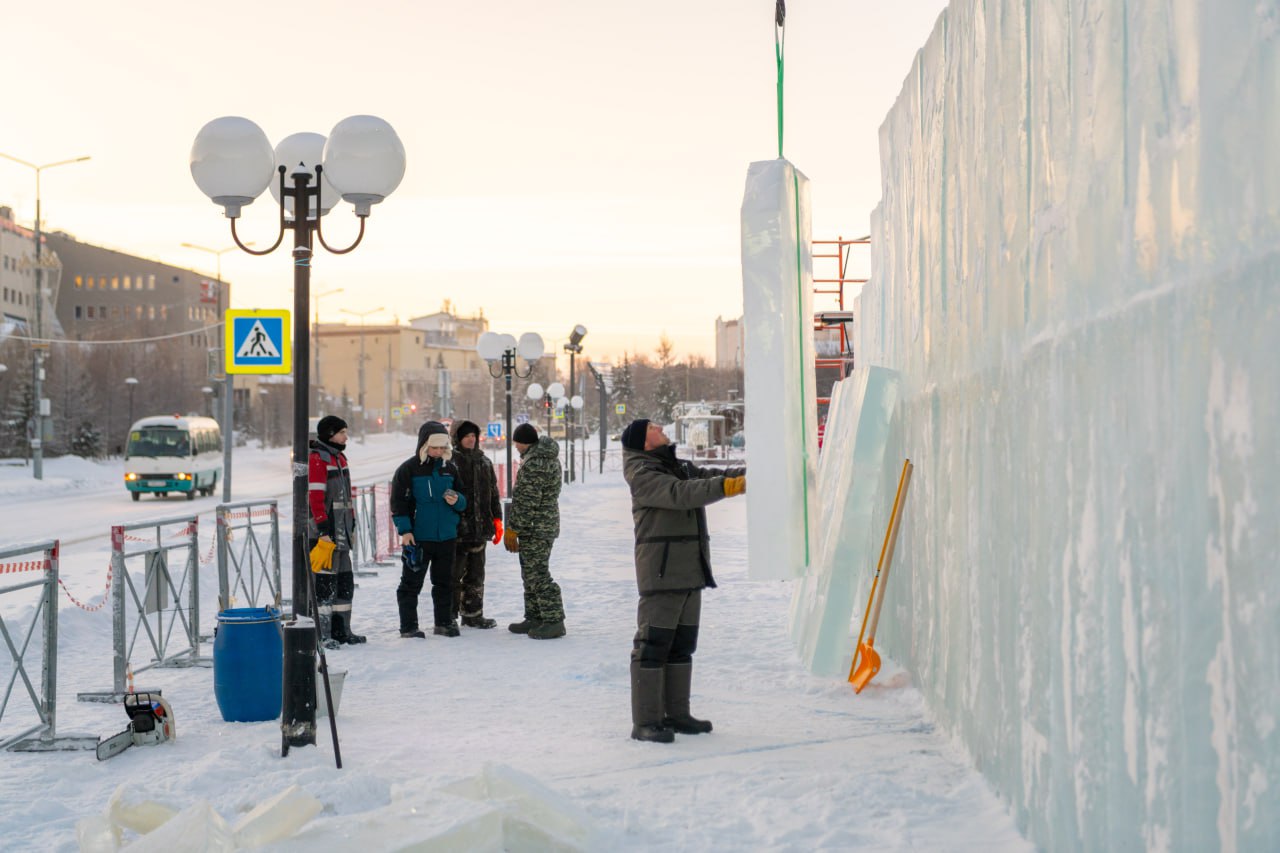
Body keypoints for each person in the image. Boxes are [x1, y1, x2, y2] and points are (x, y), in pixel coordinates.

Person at [620, 417, 745, 743]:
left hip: (689, 570)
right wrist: (726, 488)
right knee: (652, 647)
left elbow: (712, 477)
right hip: (661, 574)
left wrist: (747, 476)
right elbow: (680, 494)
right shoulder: (643, 473)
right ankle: (646, 722)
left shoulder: (675, 465)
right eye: (653, 428)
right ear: (643, 442)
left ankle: (676, 714)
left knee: (681, 647)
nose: (660, 428)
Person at [390, 421, 468, 638]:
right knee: (411, 584)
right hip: (418, 538)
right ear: (424, 445)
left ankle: (443, 623)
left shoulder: (450, 469)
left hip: (446, 537)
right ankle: (409, 627)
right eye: (435, 447)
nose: (440, 451)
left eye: (443, 447)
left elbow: (464, 500)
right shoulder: (408, 470)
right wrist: (405, 530)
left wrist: (457, 501)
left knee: (444, 582)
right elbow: (399, 503)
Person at [307, 415, 366, 648]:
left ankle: (342, 630)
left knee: (344, 582)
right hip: (326, 535)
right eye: (342, 432)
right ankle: (322, 633)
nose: (346, 436)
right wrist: (322, 527)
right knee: (324, 585)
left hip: (342, 535)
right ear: (330, 434)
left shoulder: (339, 458)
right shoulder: (319, 459)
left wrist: (350, 525)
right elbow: (315, 496)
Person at [504, 422, 566, 639]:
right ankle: (535, 617)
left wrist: (513, 529)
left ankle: (553, 620)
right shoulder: (544, 458)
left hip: (536, 527)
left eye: (516, 443)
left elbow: (527, 501)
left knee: (537, 574)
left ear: (523, 442)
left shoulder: (536, 463)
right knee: (529, 573)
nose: (516, 447)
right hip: (540, 525)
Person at [450, 420, 504, 629]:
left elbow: (493, 494)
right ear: (457, 439)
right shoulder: (451, 463)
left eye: (474, 435)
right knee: (454, 576)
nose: (471, 439)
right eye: (466, 436)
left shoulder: (485, 462)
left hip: (480, 530)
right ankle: (449, 617)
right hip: (457, 531)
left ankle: (473, 614)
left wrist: (497, 519)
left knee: (476, 575)